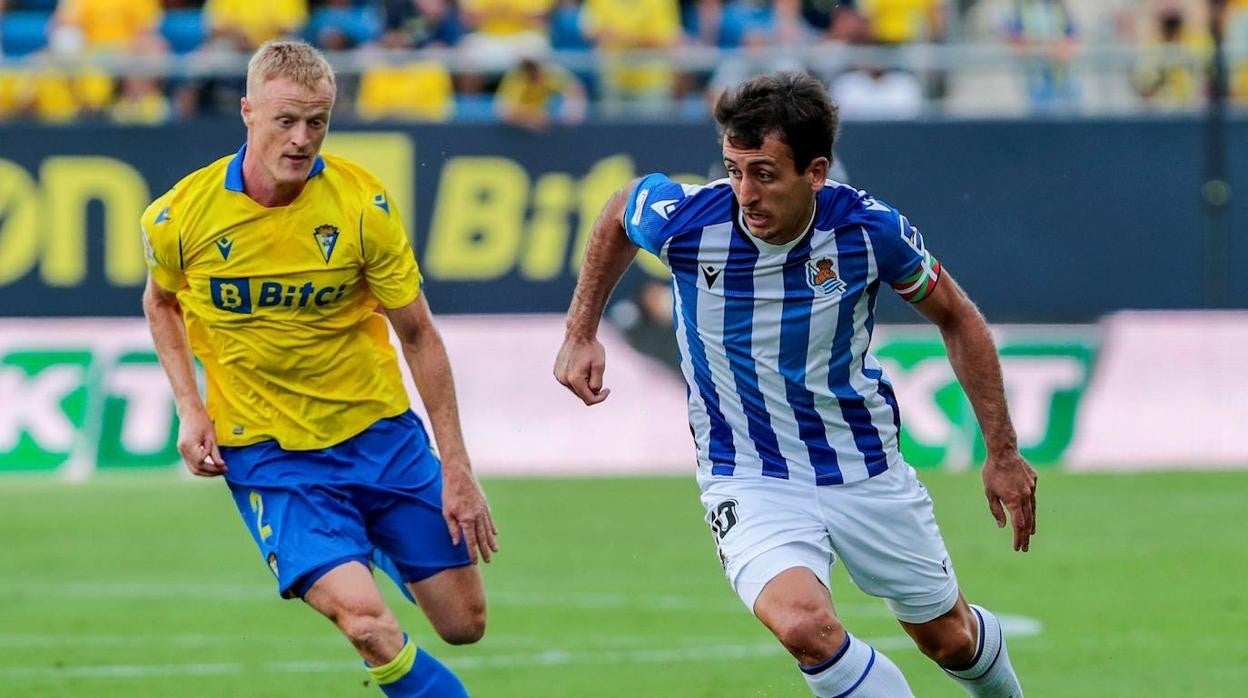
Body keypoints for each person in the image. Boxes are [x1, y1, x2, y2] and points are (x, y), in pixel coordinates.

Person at [555, 71, 1035, 696]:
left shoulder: (867, 230)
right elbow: (621, 209)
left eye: (763, 173)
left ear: (815, 172)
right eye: (733, 169)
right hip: (747, 474)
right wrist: (581, 329)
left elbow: (958, 318)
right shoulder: (691, 222)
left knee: (951, 639)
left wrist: (1002, 452)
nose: (744, 193)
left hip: (863, 468)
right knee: (805, 627)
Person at [141, 40, 497, 697]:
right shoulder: (179, 217)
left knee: (463, 623)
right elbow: (160, 301)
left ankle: (375, 542)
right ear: (247, 112)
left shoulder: (362, 207)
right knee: (367, 624)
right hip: (272, 456)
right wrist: (191, 406)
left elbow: (419, 335)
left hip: (379, 435)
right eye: (286, 121)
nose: (303, 139)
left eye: (318, 122)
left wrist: (457, 466)